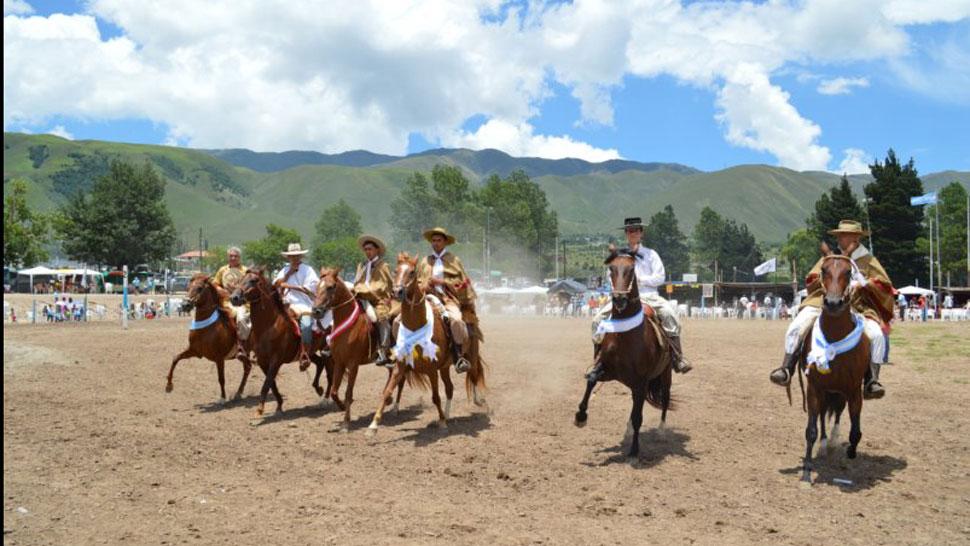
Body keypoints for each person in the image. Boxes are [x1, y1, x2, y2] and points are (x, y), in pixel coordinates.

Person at [770, 220, 895, 399]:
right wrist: (827, 282)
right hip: (823, 302)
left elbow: (884, 285)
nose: (840, 239)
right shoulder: (830, 257)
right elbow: (812, 278)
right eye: (839, 235)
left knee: (876, 335)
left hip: (859, 306)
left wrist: (865, 283)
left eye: (844, 235)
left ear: (856, 238)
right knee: (797, 326)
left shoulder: (868, 260)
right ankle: (786, 368)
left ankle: (872, 380)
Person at [591, 217, 692, 373]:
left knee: (669, 314)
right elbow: (610, 276)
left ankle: (677, 357)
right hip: (623, 297)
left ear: (641, 233)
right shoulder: (620, 256)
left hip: (649, 296)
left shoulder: (651, 254)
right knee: (597, 320)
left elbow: (660, 277)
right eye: (630, 230)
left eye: (636, 230)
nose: (633, 233)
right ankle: (598, 360)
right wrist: (617, 289)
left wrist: (640, 280)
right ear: (626, 233)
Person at [415, 227, 477, 373]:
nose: (435, 243)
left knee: (456, 320)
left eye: (439, 240)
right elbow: (417, 281)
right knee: (401, 319)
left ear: (445, 242)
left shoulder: (453, 260)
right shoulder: (425, 261)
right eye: (433, 240)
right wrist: (424, 285)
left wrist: (442, 282)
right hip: (427, 298)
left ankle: (458, 355)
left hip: (448, 298)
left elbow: (462, 282)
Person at [352, 235, 397, 367]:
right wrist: (356, 289)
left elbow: (382, 285)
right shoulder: (361, 265)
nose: (367, 251)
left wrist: (364, 290)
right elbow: (357, 281)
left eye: (370, 249)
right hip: (360, 297)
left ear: (377, 250)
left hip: (378, 300)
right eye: (366, 249)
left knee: (382, 318)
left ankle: (384, 350)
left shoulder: (383, 266)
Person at [275, 243, 319, 369]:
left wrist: (289, 286)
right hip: (286, 303)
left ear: (300, 256)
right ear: (288, 257)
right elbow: (277, 284)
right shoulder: (284, 270)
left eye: (296, 256)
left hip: (303, 303)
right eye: (292, 256)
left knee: (306, 324)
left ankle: (305, 353)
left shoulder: (308, 270)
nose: (294, 258)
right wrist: (288, 274)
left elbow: (310, 288)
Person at [212, 246, 251, 342]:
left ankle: (242, 342)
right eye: (231, 256)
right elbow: (215, 284)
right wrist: (220, 289)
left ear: (239, 258)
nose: (233, 258)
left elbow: (250, 288)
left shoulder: (246, 271)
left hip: (241, 303)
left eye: (235, 256)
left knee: (241, 319)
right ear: (228, 257)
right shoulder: (222, 270)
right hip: (224, 302)